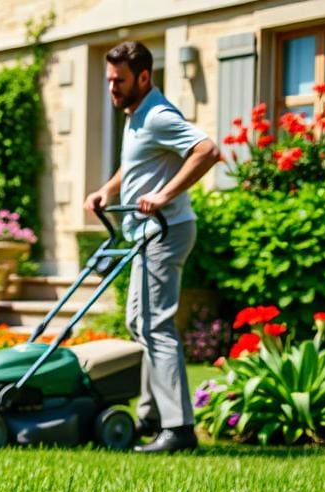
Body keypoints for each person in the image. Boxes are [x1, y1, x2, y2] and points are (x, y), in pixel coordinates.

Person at [84, 41, 220, 453]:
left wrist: (163, 194)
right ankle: (152, 414)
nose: (112, 88)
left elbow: (207, 151)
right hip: (145, 233)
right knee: (139, 324)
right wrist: (108, 189)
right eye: (108, 80)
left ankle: (178, 429)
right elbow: (137, 163)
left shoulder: (159, 114)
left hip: (166, 229)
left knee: (156, 326)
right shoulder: (137, 116)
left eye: (119, 81)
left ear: (144, 77)